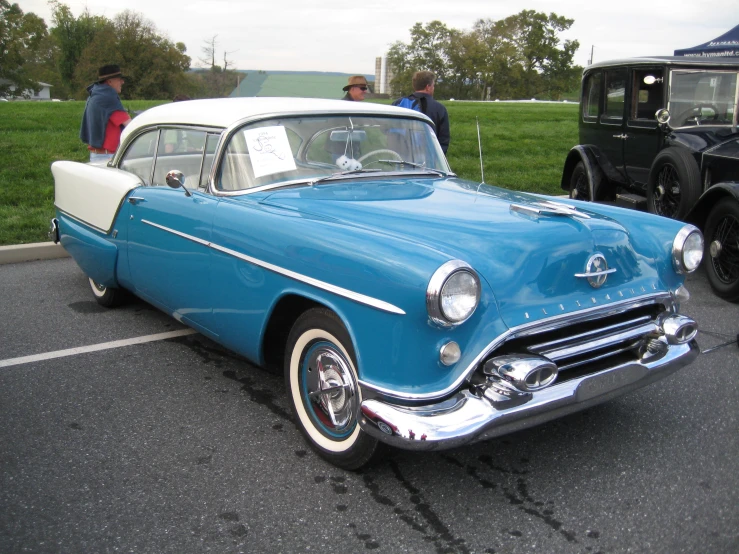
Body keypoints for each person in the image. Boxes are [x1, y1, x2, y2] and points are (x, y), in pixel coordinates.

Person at [79, 64, 132, 162]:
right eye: (119, 79)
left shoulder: (96, 94)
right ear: (110, 81)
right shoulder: (107, 97)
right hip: (107, 157)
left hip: (98, 155)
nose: (122, 82)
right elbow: (130, 125)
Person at [393, 70, 450, 154]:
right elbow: (443, 140)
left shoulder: (397, 104)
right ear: (428, 87)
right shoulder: (439, 108)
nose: (433, 88)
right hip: (427, 159)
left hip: (399, 157)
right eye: (433, 86)